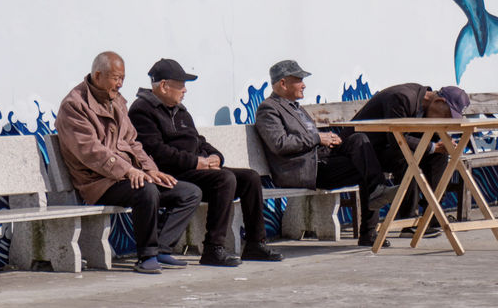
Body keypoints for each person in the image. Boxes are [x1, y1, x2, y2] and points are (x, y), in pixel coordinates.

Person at [55, 51, 202, 274]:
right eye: (116, 78)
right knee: (146, 191)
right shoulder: (74, 106)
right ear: (98, 75)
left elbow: (133, 142)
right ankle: (147, 255)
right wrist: (130, 171)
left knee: (189, 192)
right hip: (98, 181)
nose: (120, 84)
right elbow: (91, 152)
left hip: (128, 175)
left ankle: (162, 248)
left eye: (123, 78)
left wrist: (151, 170)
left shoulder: (117, 102)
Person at [129, 58, 283, 267]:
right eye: (181, 85)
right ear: (164, 86)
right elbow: (156, 151)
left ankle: (256, 243)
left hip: (197, 169)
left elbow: (198, 140)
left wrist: (215, 156)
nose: (185, 90)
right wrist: (196, 163)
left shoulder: (180, 110)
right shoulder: (142, 110)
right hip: (172, 173)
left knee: (250, 177)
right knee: (224, 179)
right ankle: (213, 248)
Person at [254, 60, 396, 248]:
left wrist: (330, 141)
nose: (304, 85)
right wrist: (317, 138)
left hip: (319, 160)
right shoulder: (269, 109)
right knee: (367, 167)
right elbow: (280, 144)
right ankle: (370, 229)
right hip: (304, 170)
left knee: (359, 141)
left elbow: (311, 138)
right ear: (283, 83)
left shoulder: (296, 107)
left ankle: (375, 201)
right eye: (299, 80)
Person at [350, 83, 470, 237]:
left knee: (439, 154)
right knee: (407, 156)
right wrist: (432, 146)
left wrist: (442, 144)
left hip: (389, 148)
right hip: (366, 150)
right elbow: (395, 139)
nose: (446, 121)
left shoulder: (425, 106)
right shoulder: (402, 98)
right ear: (439, 102)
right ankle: (409, 221)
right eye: (447, 116)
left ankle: (432, 214)